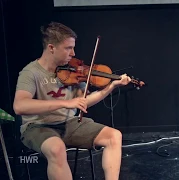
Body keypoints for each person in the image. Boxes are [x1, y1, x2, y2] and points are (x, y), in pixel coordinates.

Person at [13, 22, 131, 180]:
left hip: (70, 123)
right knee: (57, 148)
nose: (73, 53)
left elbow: (84, 101)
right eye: (68, 48)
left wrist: (111, 86)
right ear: (51, 48)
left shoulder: (73, 70)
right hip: (37, 127)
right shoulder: (30, 73)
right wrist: (65, 103)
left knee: (114, 136)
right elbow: (20, 106)